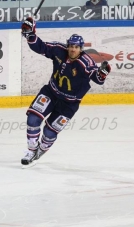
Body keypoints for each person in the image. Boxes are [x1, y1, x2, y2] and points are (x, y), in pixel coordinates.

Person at [20, 17, 111, 167]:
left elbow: (97, 79)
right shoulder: (59, 50)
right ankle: (31, 150)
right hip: (51, 92)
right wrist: (30, 34)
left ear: (81, 48)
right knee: (32, 119)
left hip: (69, 104)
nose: (72, 49)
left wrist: (102, 74)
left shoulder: (86, 63)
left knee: (49, 132)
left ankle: (41, 149)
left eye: (76, 47)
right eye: (71, 46)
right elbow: (40, 47)